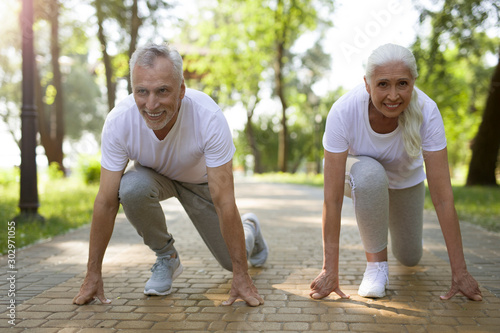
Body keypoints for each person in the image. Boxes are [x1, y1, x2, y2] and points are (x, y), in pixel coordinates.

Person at [73, 43, 268, 307]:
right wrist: (92, 273)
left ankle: (250, 228)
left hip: (201, 184)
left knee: (232, 261)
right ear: (132, 89)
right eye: (141, 92)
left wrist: (241, 275)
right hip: (155, 177)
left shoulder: (208, 117)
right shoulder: (120, 121)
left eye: (162, 91)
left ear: (181, 90)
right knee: (130, 188)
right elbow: (106, 202)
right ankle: (167, 257)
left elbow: (223, 200)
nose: (151, 104)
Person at [309, 43, 482, 301]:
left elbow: (444, 198)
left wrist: (460, 272)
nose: (393, 95)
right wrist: (329, 270)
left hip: (405, 183)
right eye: (383, 84)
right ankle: (376, 268)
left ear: (413, 82)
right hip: (359, 178)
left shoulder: (427, 112)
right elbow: (331, 199)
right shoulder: (344, 111)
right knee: (370, 174)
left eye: (402, 84)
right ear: (367, 84)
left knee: (410, 258)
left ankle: (383, 222)